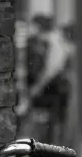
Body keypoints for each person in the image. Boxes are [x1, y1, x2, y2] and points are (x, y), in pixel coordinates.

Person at [19, 14, 72, 143]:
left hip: (54, 89)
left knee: (50, 123)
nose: (30, 29)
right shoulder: (53, 41)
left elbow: (51, 70)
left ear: (39, 27)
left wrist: (36, 88)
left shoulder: (53, 42)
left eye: (32, 26)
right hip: (54, 88)